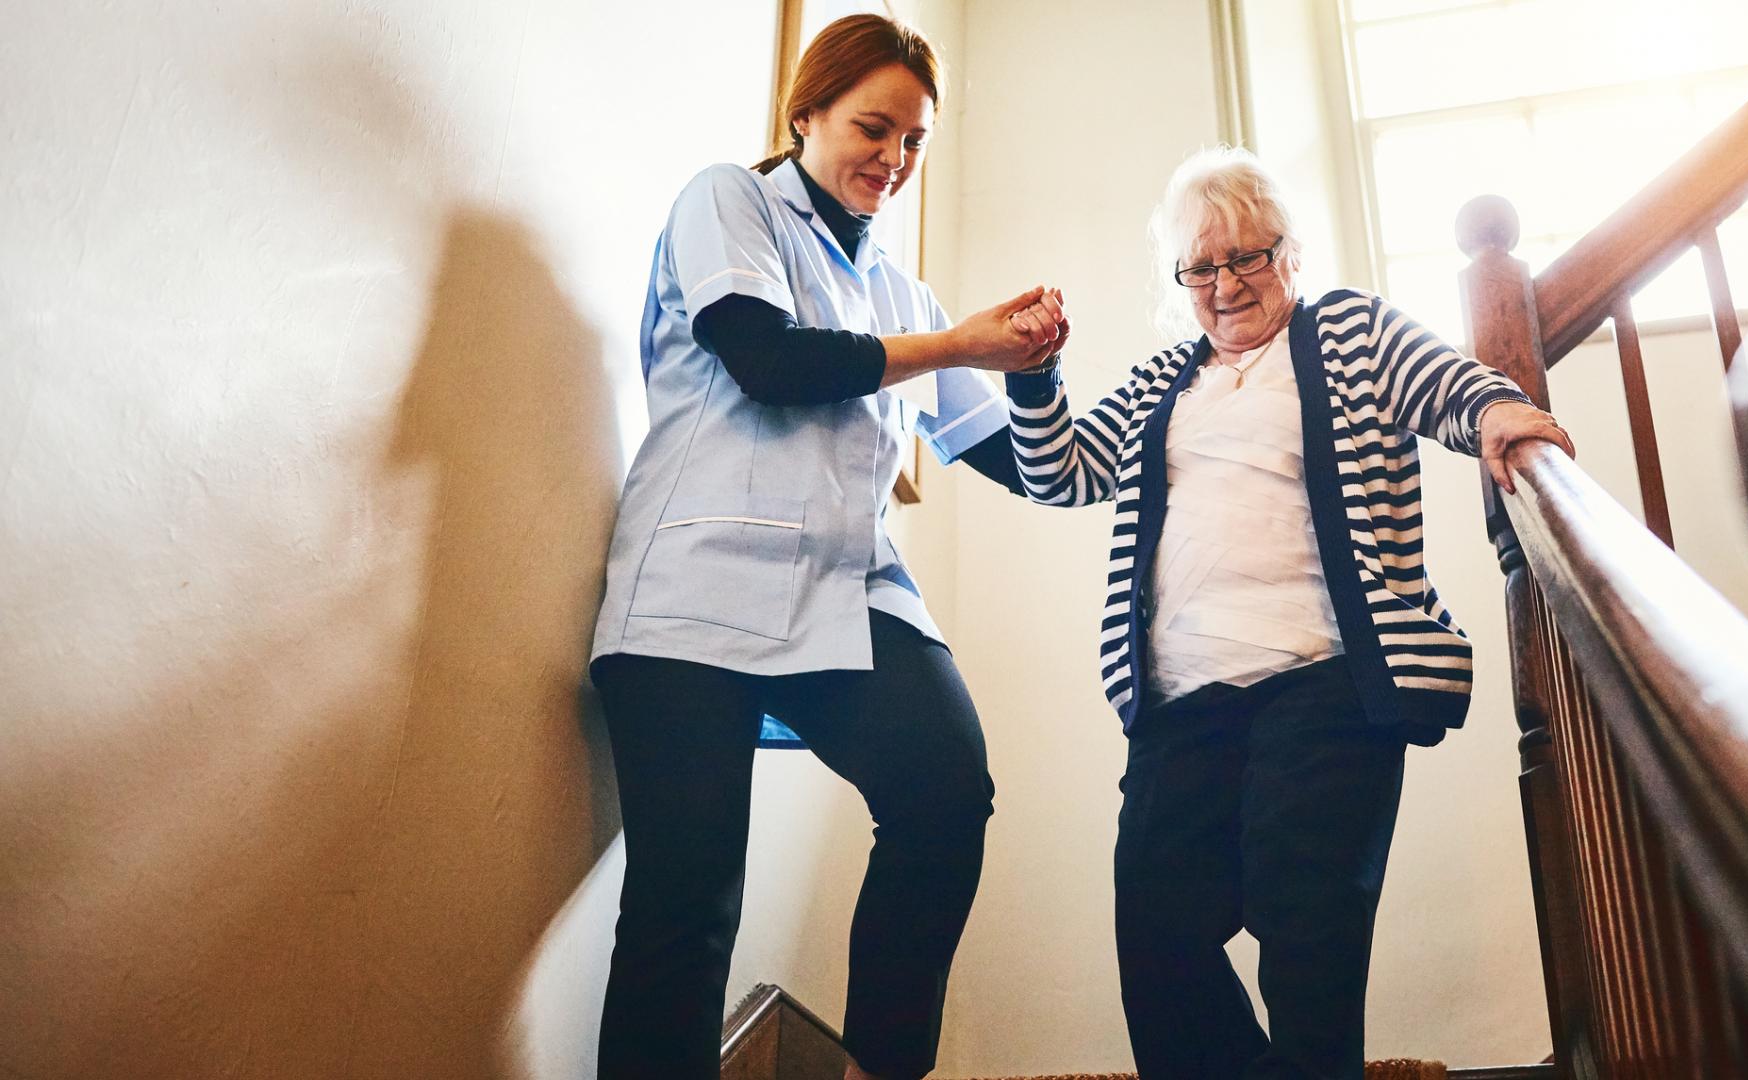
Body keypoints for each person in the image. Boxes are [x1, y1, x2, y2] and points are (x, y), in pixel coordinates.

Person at [1000, 148, 1572, 1079]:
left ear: (1289, 254)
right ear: (1179, 278)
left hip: (1327, 678)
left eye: (1247, 257)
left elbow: (1446, 381)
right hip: (1184, 695)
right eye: (1201, 266)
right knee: (1156, 934)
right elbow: (1060, 472)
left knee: (1306, 926)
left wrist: (1502, 411)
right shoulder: (1160, 383)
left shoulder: (1348, 329)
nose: (1224, 284)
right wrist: (1034, 378)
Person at [587, 14, 1066, 1080]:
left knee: (945, 792)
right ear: (803, 112)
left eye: (913, 142)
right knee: (687, 899)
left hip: (849, 592)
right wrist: (958, 345)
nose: (892, 160)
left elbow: (1023, 464)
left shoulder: (901, 292)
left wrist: (1031, 368)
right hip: (691, 595)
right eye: (872, 128)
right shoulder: (729, 200)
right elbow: (765, 358)